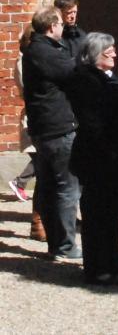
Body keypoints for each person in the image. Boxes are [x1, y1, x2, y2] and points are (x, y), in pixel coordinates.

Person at [67, 32, 118, 285]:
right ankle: (97, 266)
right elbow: (94, 124)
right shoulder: (86, 82)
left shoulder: (106, 79)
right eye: (107, 51)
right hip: (100, 158)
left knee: (111, 213)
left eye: (113, 49)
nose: (114, 54)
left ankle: (114, 261)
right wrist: (111, 150)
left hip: (115, 156)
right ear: (94, 54)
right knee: (97, 213)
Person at [22, 6, 81, 260]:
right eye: (60, 23)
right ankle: (65, 246)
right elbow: (74, 74)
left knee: (48, 187)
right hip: (57, 128)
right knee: (66, 188)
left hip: (45, 128)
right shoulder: (45, 51)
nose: (63, 27)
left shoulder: (36, 49)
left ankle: (56, 245)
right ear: (51, 26)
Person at [8, 24, 46, 241]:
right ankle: (38, 222)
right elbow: (30, 90)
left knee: (45, 169)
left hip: (41, 118)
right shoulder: (24, 62)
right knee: (41, 166)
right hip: (34, 119)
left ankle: (48, 219)